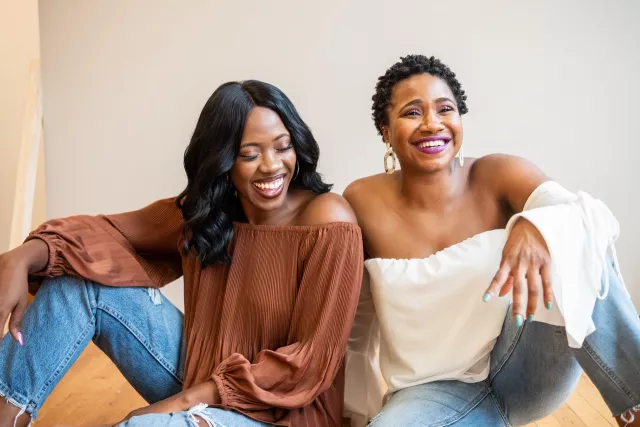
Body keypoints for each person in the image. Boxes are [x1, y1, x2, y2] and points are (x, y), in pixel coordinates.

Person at [0, 80, 363, 427]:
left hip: (282, 413)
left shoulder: (328, 221)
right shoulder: (210, 212)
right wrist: (22, 257)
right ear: (223, 162)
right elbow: (110, 231)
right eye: (248, 154)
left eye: (282, 147)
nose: (271, 165)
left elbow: (309, 363)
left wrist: (175, 406)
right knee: (80, 280)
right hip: (200, 378)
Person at [343, 55, 640, 427]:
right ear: (385, 131)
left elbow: (590, 219)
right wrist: (355, 411)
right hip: (431, 392)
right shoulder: (361, 201)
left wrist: (535, 226)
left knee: (571, 233)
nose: (432, 123)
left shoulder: (499, 174)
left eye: (445, 109)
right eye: (413, 113)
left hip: (526, 366)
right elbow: (357, 317)